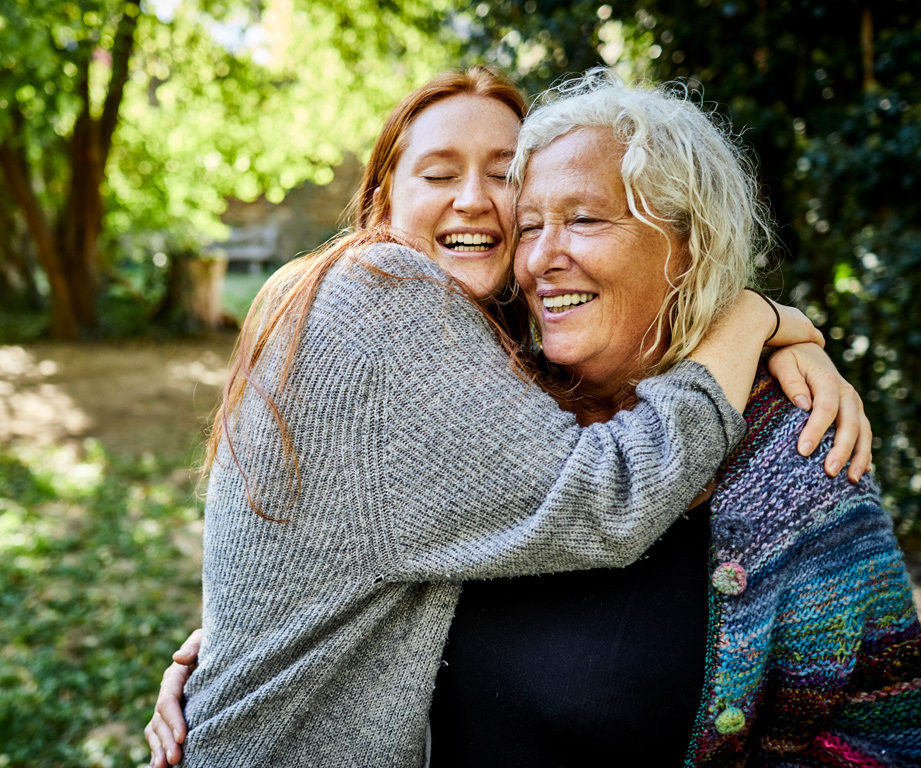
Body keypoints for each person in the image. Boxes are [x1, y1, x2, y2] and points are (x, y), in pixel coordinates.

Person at [144, 67, 874, 768]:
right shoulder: (381, 291)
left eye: (505, 177)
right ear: (380, 207)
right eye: (437, 174)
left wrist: (243, 640)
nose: (475, 200)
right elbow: (605, 495)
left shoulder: (509, 388)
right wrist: (752, 318)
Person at [426, 70, 920, 765]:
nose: (540, 259)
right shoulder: (484, 414)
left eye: (585, 219)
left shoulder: (799, 456)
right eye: (530, 226)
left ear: (688, 246)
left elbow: (887, 739)